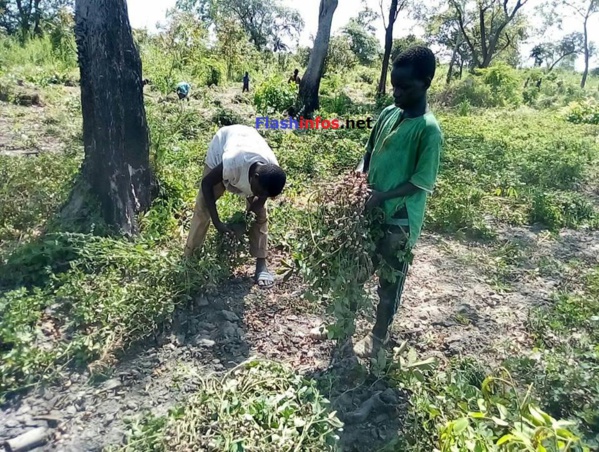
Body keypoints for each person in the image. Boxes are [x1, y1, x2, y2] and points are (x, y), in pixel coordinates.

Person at [352, 46, 443, 358]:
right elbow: (368, 151)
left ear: (426, 83)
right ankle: (345, 325)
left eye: (405, 87)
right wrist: (359, 177)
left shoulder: (429, 131)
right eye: (394, 85)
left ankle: (379, 337)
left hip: (399, 220)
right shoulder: (388, 114)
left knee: (389, 282)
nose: (397, 93)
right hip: (372, 209)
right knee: (358, 269)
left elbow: (421, 182)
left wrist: (382, 196)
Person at [184, 125, 286, 288]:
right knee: (203, 206)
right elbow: (207, 183)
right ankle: (189, 259)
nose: (260, 197)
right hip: (223, 145)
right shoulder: (232, 163)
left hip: (249, 139)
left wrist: (243, 224)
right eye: (259, 192)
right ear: (255, 176)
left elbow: (260, 201)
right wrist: (218, 223)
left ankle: (261, 264)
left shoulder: (271, 172)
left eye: (265, 195)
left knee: (261, 214)